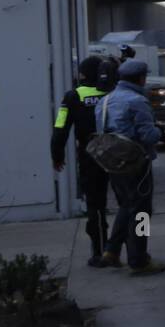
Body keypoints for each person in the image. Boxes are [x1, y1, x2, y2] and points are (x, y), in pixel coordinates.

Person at [99, 59, 165, 275]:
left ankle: (112, 250)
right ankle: (139, 259)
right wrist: (161, 131)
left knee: (127, 206)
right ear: (141, 78)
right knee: (142, 212)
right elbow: (148, 135)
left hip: (112, 162)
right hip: (137, 164)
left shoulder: (106, 100)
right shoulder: (137, 101)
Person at [51, 56, 112, 267]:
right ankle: (134, 250)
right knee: (129, 204)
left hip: (90, 155)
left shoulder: (72, 97)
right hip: (116, 153)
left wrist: (56, 156)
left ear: (83, 74)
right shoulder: (111, 93)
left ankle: (99, 251)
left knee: (95, 205)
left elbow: (60, 129)